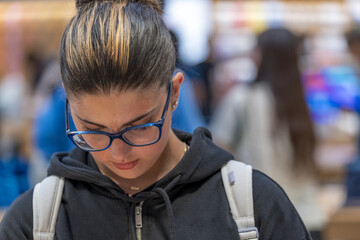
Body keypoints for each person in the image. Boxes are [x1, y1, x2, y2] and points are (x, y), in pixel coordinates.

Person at [0, 1, 311, 239]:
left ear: (174, 93)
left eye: (139, 127)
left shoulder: (255, 207)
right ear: (67, 102)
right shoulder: (35, 221)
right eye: (93, 129)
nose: (117, 154)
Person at [210, 28, 325, 237]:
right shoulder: (301, 101)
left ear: (262, 54)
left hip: (263, 221)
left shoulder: (242, 100)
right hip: (309, 220)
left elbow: (216, 153)